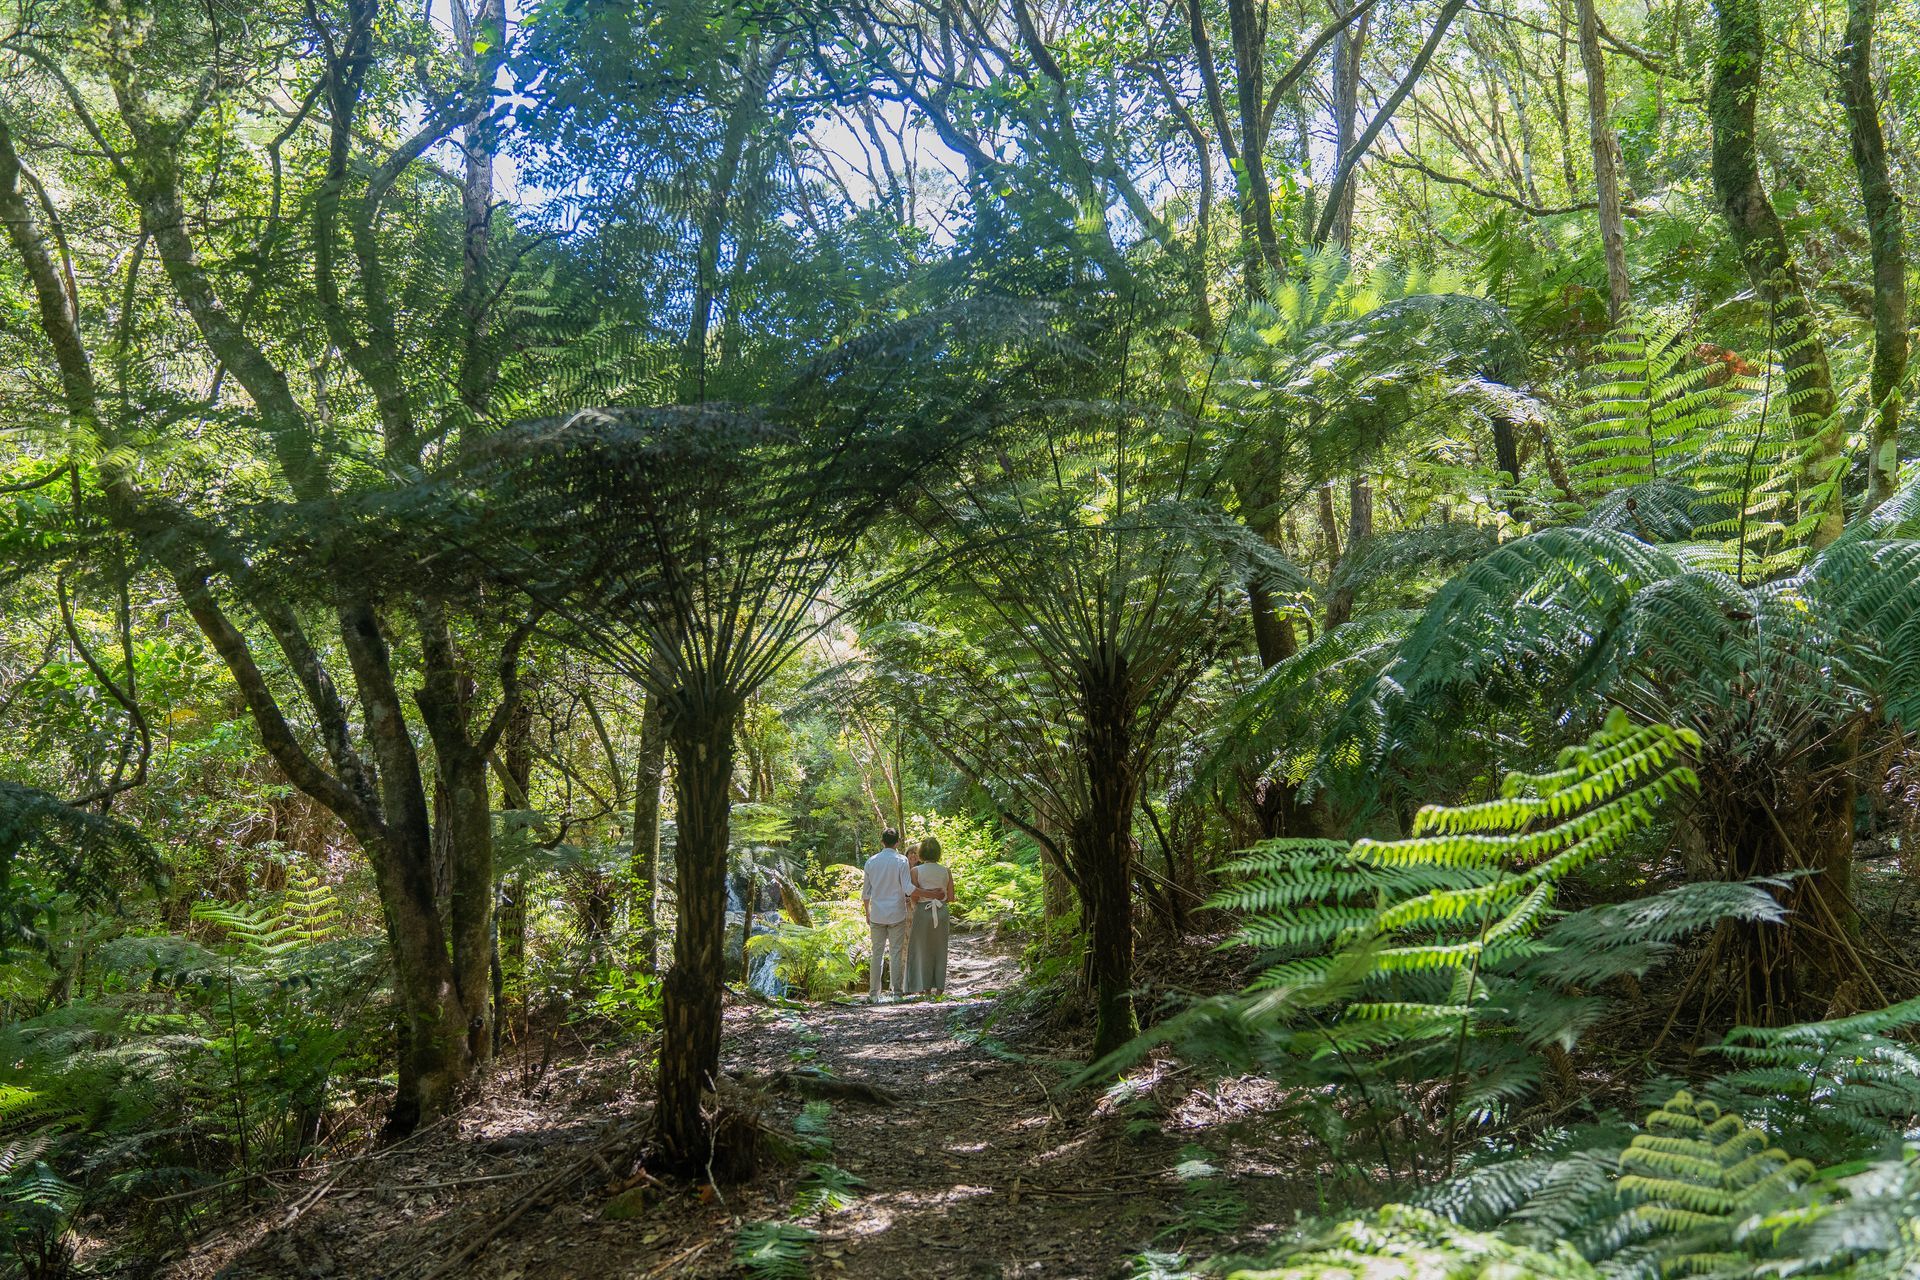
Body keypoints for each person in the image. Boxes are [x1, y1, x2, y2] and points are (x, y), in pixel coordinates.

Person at [860, 828, 914, 1002]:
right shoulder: (901, 860)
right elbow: (907, 888)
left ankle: (874, 994)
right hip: (897, 913)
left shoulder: (871, 862)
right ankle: (897, 993)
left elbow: (866, 893)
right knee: (896, 953)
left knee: (877, 953)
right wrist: (928, 893)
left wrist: (867, 912)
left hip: (877, 913)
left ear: (882, 842)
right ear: (897, 843)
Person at [903, 835, 955, 997]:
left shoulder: (916, 871)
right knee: (940, 949)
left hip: (922, 911)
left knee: (921, 949)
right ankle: (939, 988)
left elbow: (914, 896)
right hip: (942, 911)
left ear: (922, 853)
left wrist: (915, 906)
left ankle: (925, 988)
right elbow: (951, 897)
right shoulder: (946, 871)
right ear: (938, 853)